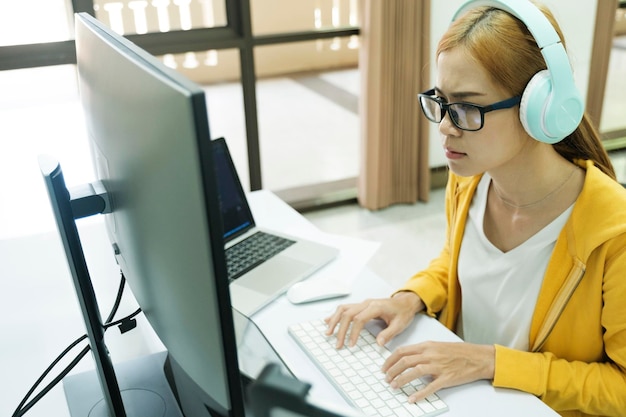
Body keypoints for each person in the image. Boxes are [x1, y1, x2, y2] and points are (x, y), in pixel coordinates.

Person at [324, 1, 626, 416]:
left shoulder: (615, 234)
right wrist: (411, 298)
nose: (446, 126)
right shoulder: (470, 179)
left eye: (466, 107)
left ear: (540, 108)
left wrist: (491, 362)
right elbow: (457, 261)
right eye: (441, 101)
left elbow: (622, 388)